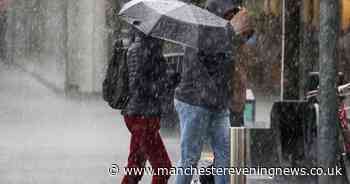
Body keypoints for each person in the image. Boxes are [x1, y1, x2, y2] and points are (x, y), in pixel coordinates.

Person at [174, 0, 253, 183]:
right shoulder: (202, 28)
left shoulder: (225, 33)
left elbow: (233, 55)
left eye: (233, 14)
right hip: (195, 103)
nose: (232, 18)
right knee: (190, 157)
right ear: (218, 13)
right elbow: (202, 62)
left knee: (225, 154)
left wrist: (242, 32)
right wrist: (232, 32)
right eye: (229, 14)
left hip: (217, 103)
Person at [121, 29, 172, 184]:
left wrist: (167, 80)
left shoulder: (145, 46)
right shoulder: (143, 49)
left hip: (140, 114)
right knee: (163, 168)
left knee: (135, 168)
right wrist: (165, 83)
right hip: (143, 116)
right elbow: (140, 85)